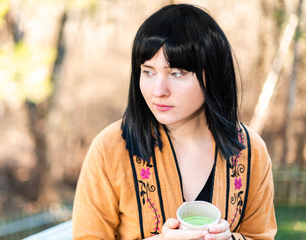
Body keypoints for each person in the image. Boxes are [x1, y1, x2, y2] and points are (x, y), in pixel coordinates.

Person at [72, 4, 277, 240]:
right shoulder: (109, 150)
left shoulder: (250, 151)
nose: (158, 90)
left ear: (212, 73)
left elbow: (261, 235)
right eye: (148, 71)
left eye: (177, 73)